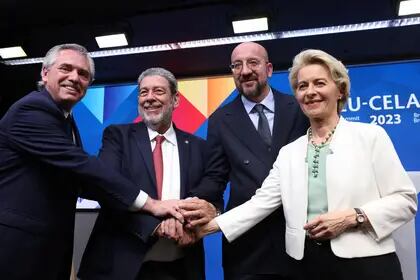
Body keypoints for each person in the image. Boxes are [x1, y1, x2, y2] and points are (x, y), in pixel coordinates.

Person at [196, 49, 418, 280]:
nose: (310, 92)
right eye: (302, 87)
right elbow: (259, 204)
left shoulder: (370, 136)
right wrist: (204, 229)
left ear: (340, 90)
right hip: (306, 266)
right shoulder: (289, 152)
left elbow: (405, 201)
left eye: (319, 83)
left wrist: (354, 217)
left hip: (368, 264)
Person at [0, 44, 182, 280]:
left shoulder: (64, 118)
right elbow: (84, 168)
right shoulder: (32, 110)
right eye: (66, 68)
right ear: (45, 73)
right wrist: (152, 205)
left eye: (83, 74)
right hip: (18, 248)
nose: (74, 78)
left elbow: (81, 181)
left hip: (46, 247)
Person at [180, 41, 309, 280]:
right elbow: (215, 176)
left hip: (298, 233)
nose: (245, 71)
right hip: (247, 241)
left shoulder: (299, 108)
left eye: (253, 63)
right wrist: (198, 203)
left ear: (268, 69)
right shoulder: (220, 119)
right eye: (236, 65)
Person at [78, 67, 206, 280]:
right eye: (143, 92)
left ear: (175, 100)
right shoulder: (117, 136)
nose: (149, 98)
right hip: (122, 266)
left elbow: (207, 195)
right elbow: (108, 189)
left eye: (158, 91)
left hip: (181, 267)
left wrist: (186, 223)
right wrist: (157, 226)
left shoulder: (199, 147)